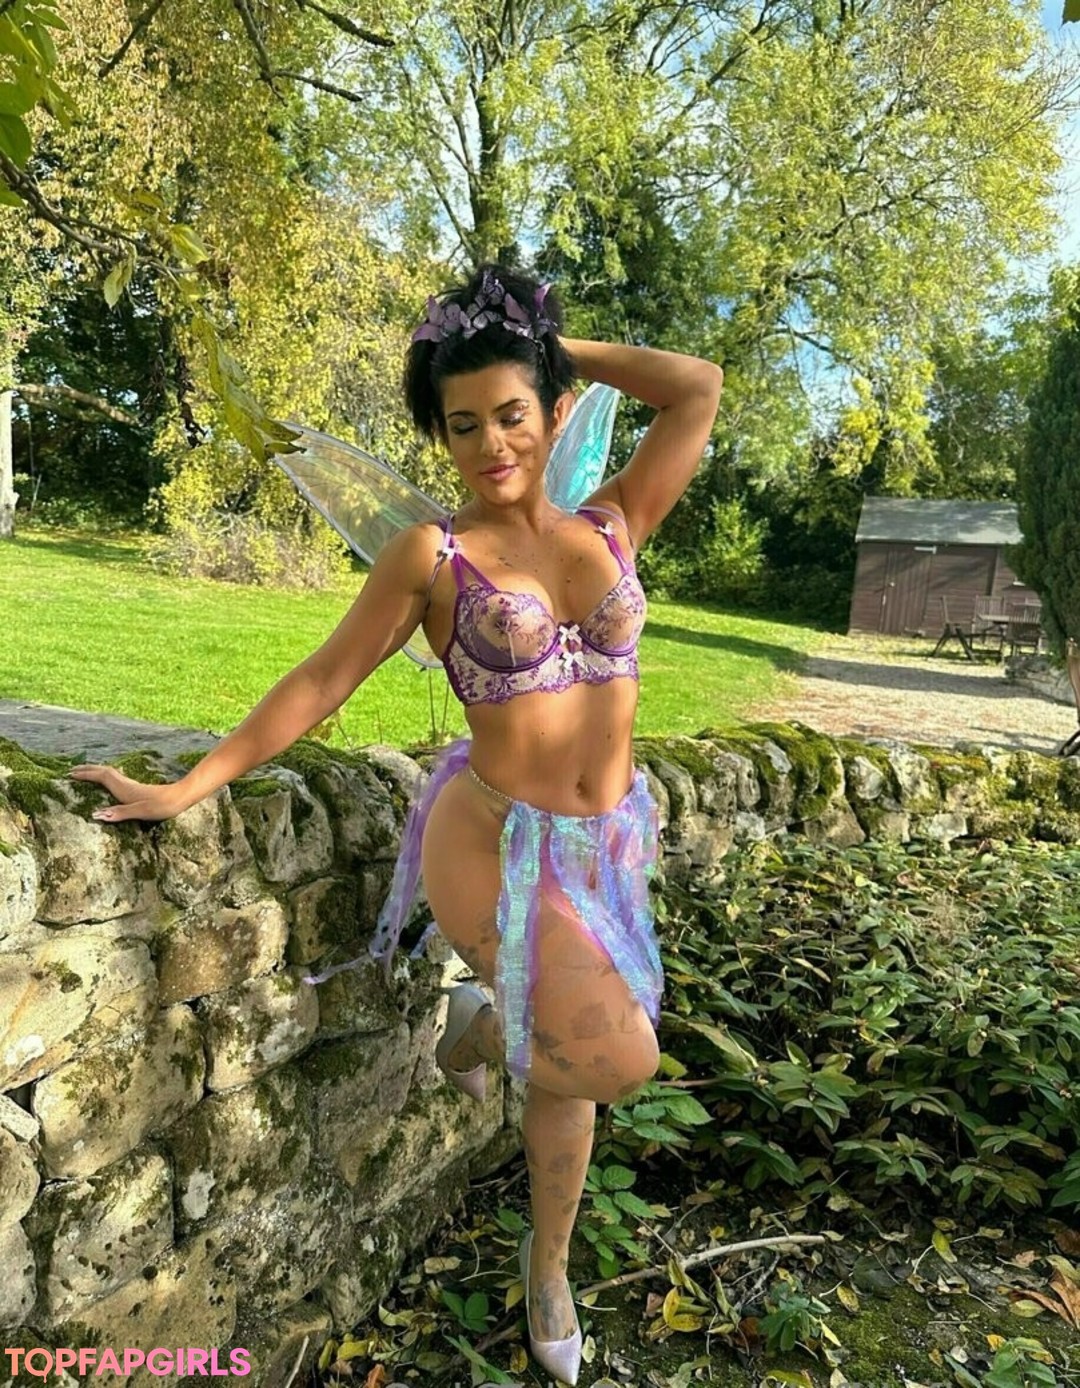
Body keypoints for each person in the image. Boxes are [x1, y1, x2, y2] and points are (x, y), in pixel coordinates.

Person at [69, 264, 723, 1385]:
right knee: (617, 1056)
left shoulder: (614, 523)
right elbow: (321, 681)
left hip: (603, 842)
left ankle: (543, 1245)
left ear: (552, 408)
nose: (491, 444)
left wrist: (553, 346)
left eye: (512, 413)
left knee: (567, 1070)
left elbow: (696, 386)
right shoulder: (433, 557)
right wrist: (189, 787)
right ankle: (488, 1044)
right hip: (491, 839)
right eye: (463, 425)